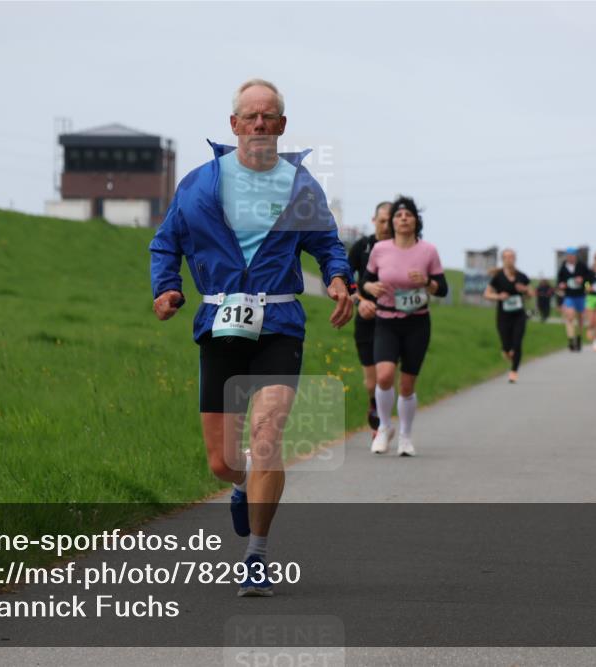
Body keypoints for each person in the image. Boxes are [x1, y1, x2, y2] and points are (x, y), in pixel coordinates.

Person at [149, 79, 353, 596]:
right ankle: (240, 488)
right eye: (250, 116)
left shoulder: (300, 185)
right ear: (234, 124)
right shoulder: (198, 183)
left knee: (266, 437)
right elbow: (165, 243)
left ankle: (256, 557)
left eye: (269, 117)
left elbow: (326, 242)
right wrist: (167, 289)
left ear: (282, 126)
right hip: (219, 324)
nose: (259, 124)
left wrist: (337, 277)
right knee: (222, 460)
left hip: (279, 324)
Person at [358, 196, 448, 456]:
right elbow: (365, 279)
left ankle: (406, 437)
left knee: (407, 384)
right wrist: (369, 287)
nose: (403, 218)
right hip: (386, 321)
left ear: (416, 220)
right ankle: (385, 427)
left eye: (408, 214)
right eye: (399, 215)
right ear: (393, 222)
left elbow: (442, 288)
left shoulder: (428, 251)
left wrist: (427, 282)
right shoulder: (380, 250)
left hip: (417, 322)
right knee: (384, 376)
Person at [347, 202, 392, 434]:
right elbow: (342, 281)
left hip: (395, 321)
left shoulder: (403, 248)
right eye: (381, 220)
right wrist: (359, 301)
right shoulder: (362, 247)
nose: (385, 225)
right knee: (372, 382)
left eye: (389, 221)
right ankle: (376, 412)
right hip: (366, 319)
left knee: (387, 376)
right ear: (374, 220)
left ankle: (384, 425)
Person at [483, 249, 533, 383]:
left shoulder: (522, 276)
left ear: (515, 259)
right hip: (503, 316)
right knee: (506, 346)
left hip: (519, 315)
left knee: (517, 343)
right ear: (503, 259)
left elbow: (531, 294)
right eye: (506, 257)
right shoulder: (498, 277)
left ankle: (514, 371)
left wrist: (525, 290)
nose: (509, 259)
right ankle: (507, 352)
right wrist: (499, 296)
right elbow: (486, 294)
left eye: (512, 257)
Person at [557, 247, 588, 352]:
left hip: (580, 296)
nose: (570, 257)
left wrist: (583, 281)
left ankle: (579, 338)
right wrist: (561, 285)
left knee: (580, 319)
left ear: (575, 256)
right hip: (569, 296)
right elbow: (559, 281)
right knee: (570, 317)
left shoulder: (582, 266)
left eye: (572, 255)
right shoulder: (563, 268)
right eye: (568, 256)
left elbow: (589, 280)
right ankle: (571, 340)